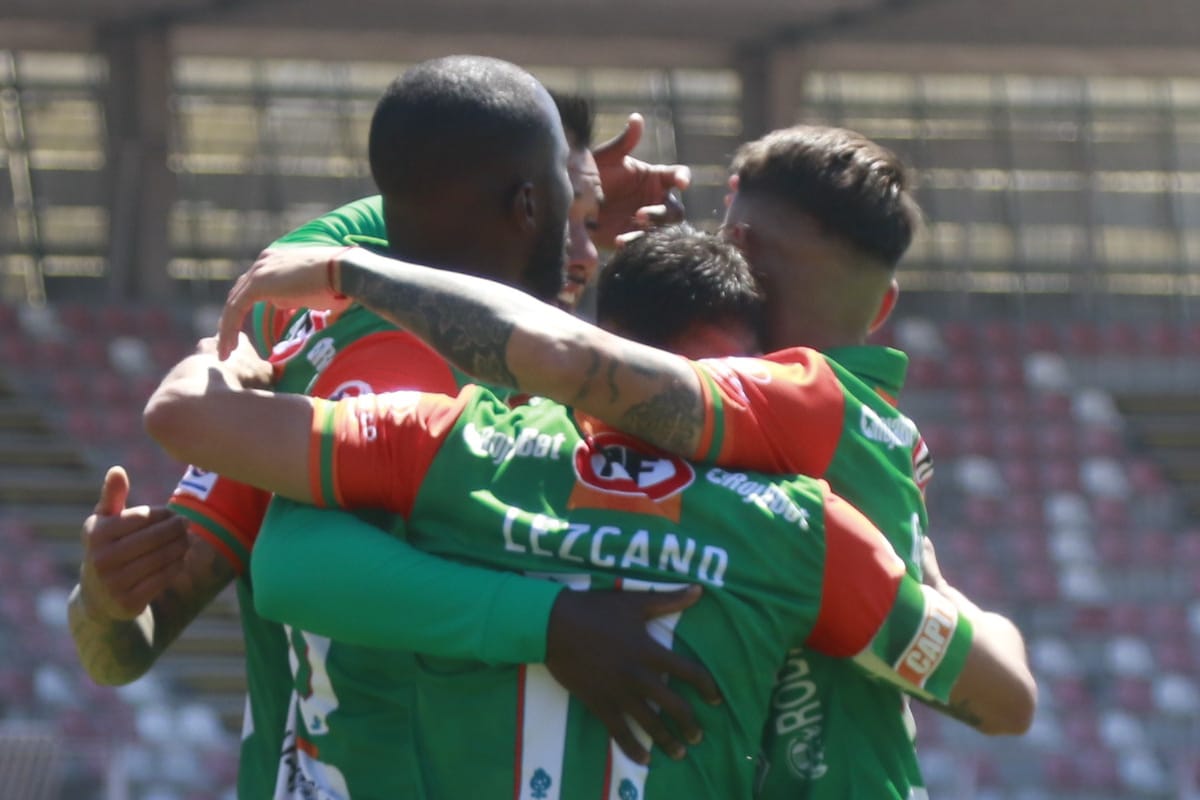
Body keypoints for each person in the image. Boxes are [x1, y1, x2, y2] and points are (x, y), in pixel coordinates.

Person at [215, 126, 1036, 798]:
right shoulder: (860, 462)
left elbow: (564, 358)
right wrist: (944, 596)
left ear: (739, 247)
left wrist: (349, 272)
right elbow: (1005, 694)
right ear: (885, 307)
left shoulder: (507, 451)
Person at [67, 58, 703, 798]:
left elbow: (427, 189)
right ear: (523, 206)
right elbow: (129, 646)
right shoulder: (332, 376)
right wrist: (101, 601)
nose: (588, 251)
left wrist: (552, 195)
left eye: (593, 224)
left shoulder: (541, 382)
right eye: (571, 215)